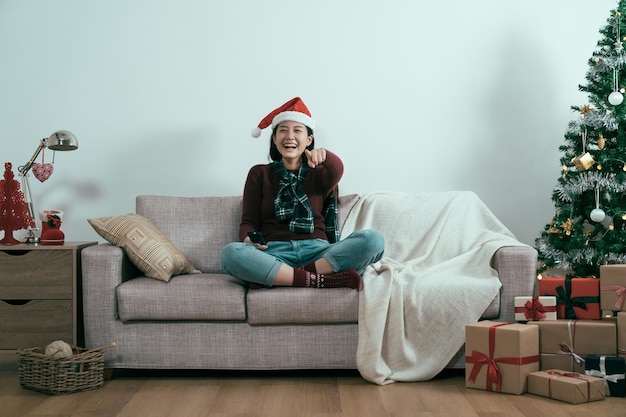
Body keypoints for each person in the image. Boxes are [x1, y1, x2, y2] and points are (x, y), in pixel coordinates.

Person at [221, 97, 384, 289]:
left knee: (374, 240)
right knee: (231, 253)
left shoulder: (319, 173)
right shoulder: (259, 173)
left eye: (297, 130)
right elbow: (249, 220)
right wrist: (248, 238)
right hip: (275, 253)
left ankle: (280, 278)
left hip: (319, 252)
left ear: (309, 140)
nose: (289, 136)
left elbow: (336, 169)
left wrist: (325, 155)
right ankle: (319, 279)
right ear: (274, 139)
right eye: (283, 130)